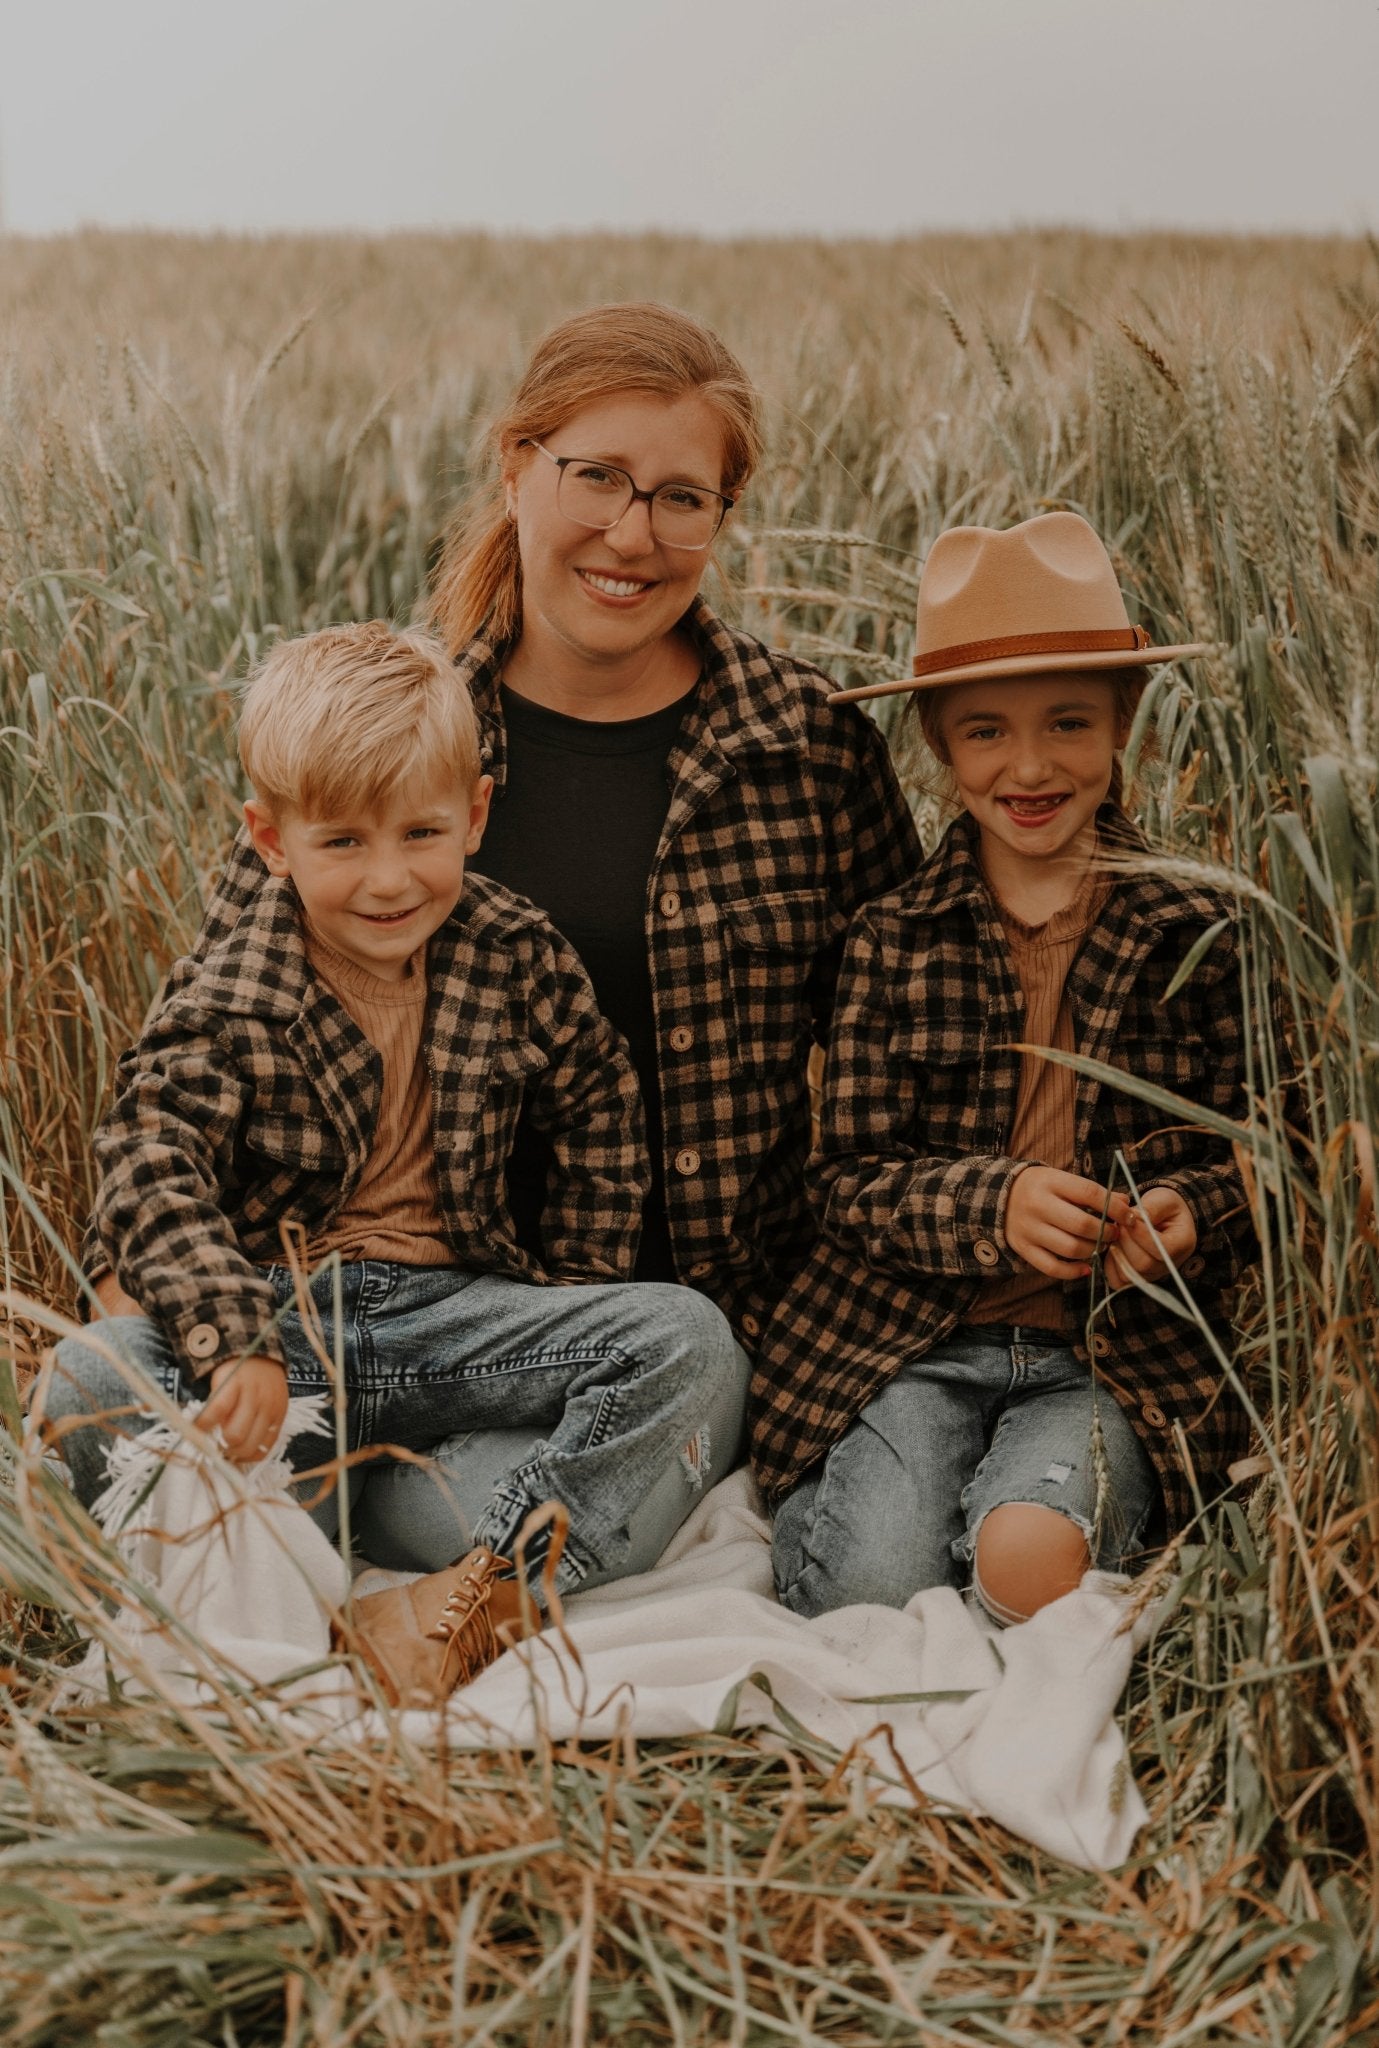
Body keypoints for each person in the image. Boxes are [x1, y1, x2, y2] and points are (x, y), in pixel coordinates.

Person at [94, 301, 922, 1571]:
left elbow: (917, 1055)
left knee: (680, 1365)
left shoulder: (803, 750)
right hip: (357, 1311)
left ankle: (395, 1543)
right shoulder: (390, 743)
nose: (631, 533)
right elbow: (199, 1056)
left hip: (640, 1339)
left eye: (680, 497)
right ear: (516, 468)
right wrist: (143, 1288)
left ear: (721, 518)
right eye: (595, 477)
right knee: (97, 1384)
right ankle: (408, 1524)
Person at [38, 622, 742, 1700]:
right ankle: (288, 1570)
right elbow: (149, 1151)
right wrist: (233, 1339)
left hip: (449, 1332)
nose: (388, 878)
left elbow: (599, 1100)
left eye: (420, 832)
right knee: (88, 1374)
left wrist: (566, 1281)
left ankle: (472, 1591)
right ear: (271, 842)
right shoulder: (236, 987)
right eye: (343, 843)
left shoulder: (514, 954)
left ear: (475, 814)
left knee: (691, 1343)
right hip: (283, 1330)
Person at [754, 511, 1263, 1624]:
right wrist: (995, 1202)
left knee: (1023, 1571)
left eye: (1068, 722)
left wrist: (1190, 1210)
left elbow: (1260, 1149)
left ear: (1123, 718)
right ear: (937, 741)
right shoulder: (893, 935)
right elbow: (845, 1177)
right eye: (984, 731)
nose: (1027, 767)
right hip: (918, 1333)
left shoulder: (1197, 923)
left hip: (1112, 1351)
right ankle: (859, 1510)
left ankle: (1035, 1525)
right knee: (863, 1593)